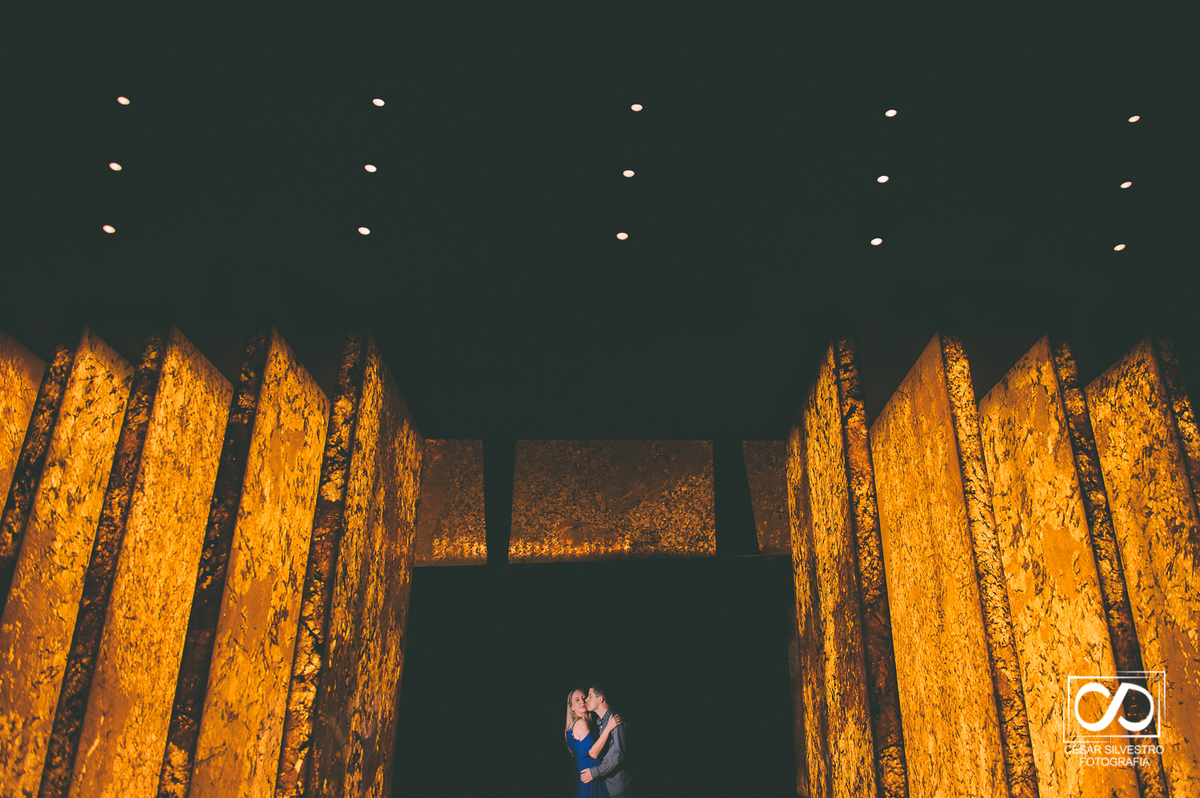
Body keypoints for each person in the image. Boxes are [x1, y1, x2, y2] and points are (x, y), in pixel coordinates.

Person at [565, 689, 622, 798]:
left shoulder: (577, 726)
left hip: (587, 777)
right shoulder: (581, 723)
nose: (582, 701)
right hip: (591, 778)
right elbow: (594, 753)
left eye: (583, 697)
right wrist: (609, 727)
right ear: (571, 707)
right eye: (577, 700)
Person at [580, 684, 633, 797]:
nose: (586, 700)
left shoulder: (616, 721)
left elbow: (618, 756)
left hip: (619, 787)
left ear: (600, 699)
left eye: (589, 696)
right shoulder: (601, 724)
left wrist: (594, 773)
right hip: (608, 787)